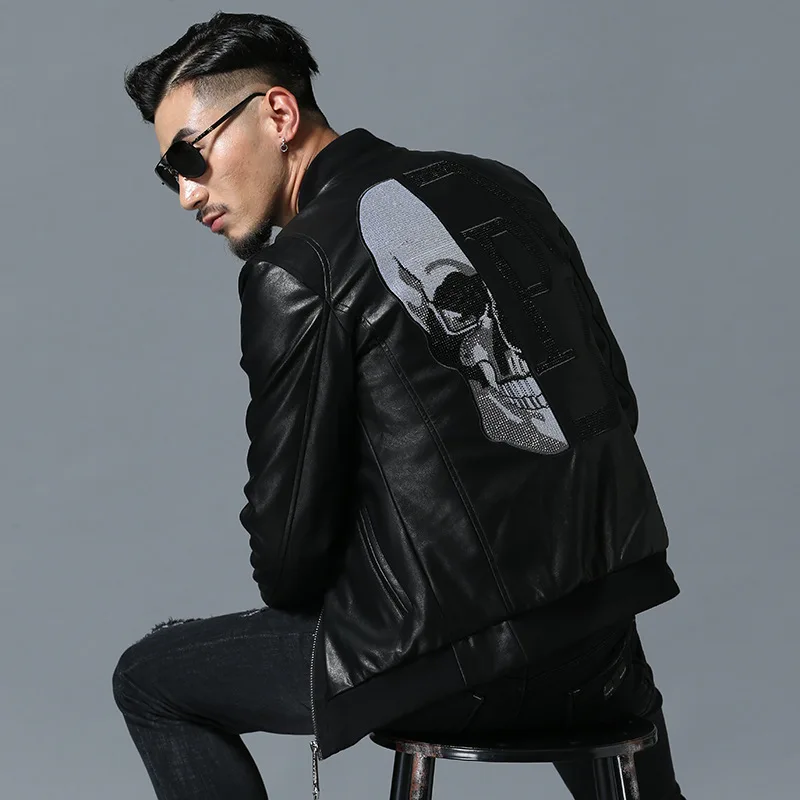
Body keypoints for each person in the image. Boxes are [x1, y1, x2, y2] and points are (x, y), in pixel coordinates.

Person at [114, 11, 686, 800]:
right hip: (601, 644)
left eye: (191, 155)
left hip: (438, 665)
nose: (186, 193)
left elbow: (288, 557)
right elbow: (612, 399)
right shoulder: (502, 186)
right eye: (168, 174)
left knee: (150, 679)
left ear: (277, 114)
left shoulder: (298, 268)